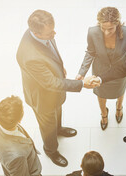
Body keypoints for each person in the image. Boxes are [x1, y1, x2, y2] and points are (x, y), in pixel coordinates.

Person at [17, 10, 99, 167]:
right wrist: (83, 84)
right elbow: (51, 83)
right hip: (42, 97)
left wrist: (59, 69)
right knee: (47, 125)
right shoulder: (30, 56)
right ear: (36, 33)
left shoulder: (40, 32)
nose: (54, 34)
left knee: (58, 109)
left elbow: (50, 54)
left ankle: (59, 128)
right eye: (49, 32)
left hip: (53, 92)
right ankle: (51, 150)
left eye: (53, 29)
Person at [76, 7, 126, 130]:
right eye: (103, 28)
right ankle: (104, 114)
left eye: (110, 29)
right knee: (101, 93)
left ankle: (119, 107)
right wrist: (82, 72)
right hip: (100, 70)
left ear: (117, 24)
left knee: (120, 91)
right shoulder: (92, 32)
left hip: (120, 71)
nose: (106, 32)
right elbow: (90, 52)